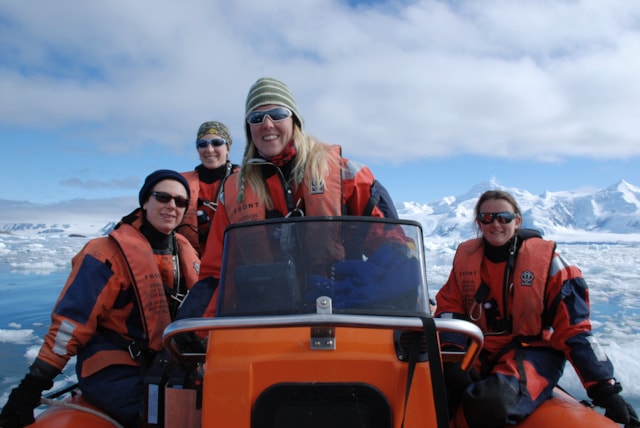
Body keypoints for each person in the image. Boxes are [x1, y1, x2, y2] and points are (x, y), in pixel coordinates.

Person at [177, 76, 402, 319]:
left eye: (277, 114)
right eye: (256, 118)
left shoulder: (346, 175)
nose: (267, 124)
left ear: (294, 119)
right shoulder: (233, 192)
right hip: (266, 320)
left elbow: (393, 246)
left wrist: (369, 287)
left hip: (341, 314)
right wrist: (192, 327)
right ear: (249, 129)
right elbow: (216, 273)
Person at [0, 170, 201, 428]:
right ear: (145, 201)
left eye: (180, 201)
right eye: (162, 197)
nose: (171, 206)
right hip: (114, 370)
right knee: (169, 419)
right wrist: (30, 389)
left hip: (167, 362)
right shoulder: (103, 255)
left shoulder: (183, 249)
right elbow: (68, 327)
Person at [434, 190, 639, 427]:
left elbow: (574, 330)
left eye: (503, 217)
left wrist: (604, 388)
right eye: (486, 218)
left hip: (532, 351)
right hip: (479, 348)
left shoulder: (550, 265)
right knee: (435, 391)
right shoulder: (465, 260)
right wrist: (451, 360)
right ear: (479, 222)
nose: (495, 224)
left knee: (491, 404)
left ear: (517, 220)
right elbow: (450, 310)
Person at [177, 121, 239, 257]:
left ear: (227, 148)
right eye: (202, 144)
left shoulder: (248, 180)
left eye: (217, 143)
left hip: (235, 259)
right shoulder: (180, 184)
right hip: (192, 262)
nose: (209, 149)